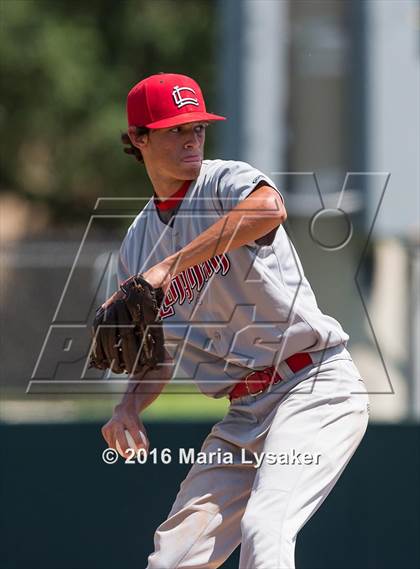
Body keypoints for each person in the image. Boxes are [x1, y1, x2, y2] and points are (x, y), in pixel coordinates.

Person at [101, 73, 369, 569]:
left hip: (313, 384)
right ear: (139, 138)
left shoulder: (224, 180)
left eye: (198, 127)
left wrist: (169, 268)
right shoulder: (137, 247)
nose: (192, 138)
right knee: (174, 559)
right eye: (176, 129)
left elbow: (270, 207)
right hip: (245, 413)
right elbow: (159, 357)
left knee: (266, 530)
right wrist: (129, 408)